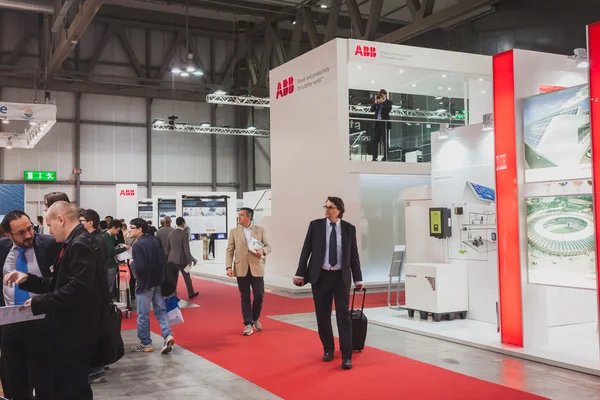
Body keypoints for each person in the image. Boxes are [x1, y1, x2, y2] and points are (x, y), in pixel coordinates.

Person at [4, 201, 109, 399]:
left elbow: (77, 288)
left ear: (60, 220)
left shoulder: (79, 244)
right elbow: (60, 283)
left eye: (50, 226)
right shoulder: (78, 241)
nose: (50, 232)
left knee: (70, 388)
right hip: (70, 330)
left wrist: (39, 303)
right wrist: (28, 280)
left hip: (75, 332)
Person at [293, 197, 364, 370]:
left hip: (341, 278)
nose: (326, 210)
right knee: (322, 316)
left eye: (330, 207)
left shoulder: (349, 229)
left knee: (343, 317)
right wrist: (300, 273)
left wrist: (358, 278)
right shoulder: (315, 226)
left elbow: (353, 255)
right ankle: (328, 349)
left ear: (339, 210)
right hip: (320, 277)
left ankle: (346, 356)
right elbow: (306, 250)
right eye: (325, 206)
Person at [0, 210, 61, 399]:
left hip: (42, 321)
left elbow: (58, 283)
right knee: (15, 380)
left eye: (30, 228)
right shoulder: (2, 248)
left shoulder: (50, 245)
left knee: (44, 381)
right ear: (8, 235)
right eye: (21, 233)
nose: (28, 235)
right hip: (10, 325)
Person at [128, 218, 175, 354]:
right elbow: (163, 260)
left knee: (143, 314)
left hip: (144, 284)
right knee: (161, 311)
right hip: (158, 281)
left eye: (132, 227)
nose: (129, 230)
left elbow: (140, 267)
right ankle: (167, 334)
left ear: (139, 229)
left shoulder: (137, 245)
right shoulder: (155, 241)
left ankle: (145, 343)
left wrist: (132, 264)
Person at [226, 208, 271, 336]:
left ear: (248, 217)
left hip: (257, 267)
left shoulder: (260, 230)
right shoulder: (234, 232)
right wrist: (228, 267)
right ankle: (248, 324)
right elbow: (229, 250)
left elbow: (268, 246)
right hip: (241, 268)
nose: (238, 217)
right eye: (238, 215)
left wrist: (263, 251)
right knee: (245, 297)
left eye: (241, 215)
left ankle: (255, 318)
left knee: (259, 295)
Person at [165, 217, 198, 299]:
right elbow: (186, 249)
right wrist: (190, 261)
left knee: (173, 278)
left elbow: (167, 248)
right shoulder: (184, 234)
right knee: (187, 277)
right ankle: (191, 293)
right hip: (183, 261)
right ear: (183, 223)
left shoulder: (170, 234)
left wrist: (168, 259)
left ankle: (174, 295)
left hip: (172, 260)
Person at [103, 220, 131, 296]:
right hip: (110, 264)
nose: (118, 232)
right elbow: (112, 252)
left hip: (109, 263)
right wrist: (124, 249)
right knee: (109, 286)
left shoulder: (109, 236)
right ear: (113, 228)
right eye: (118, 230)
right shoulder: (107, 237)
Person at [370, 89, 392, 162]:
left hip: (384, 123)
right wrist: (376, 102)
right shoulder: (377, 102)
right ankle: (374, 157)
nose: (381, 96)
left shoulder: (388, 102)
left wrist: (382, 102)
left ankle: (386, 157)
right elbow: (371, 110)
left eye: (382, 95)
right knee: (374, 140)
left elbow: (388, 110)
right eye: (380, 95)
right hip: (377, 123)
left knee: (384, 141)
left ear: (385, 95)